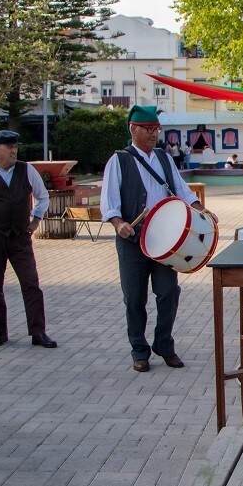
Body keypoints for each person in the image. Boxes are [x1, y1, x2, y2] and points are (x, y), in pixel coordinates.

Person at [101, 106, 214, 372]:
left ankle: (164, 345)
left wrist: (202, 211)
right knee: (134, 298)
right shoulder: (119, 160)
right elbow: (109, 202)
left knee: (168, 293)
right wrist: (119, 223)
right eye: (148, 129)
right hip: (133, 240)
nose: (154, 134)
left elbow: (183, 191)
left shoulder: (164, 157)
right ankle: (139, 350)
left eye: (156, 129)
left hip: (165, 241)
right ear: (133, 129)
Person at [0, 130, 57, 349]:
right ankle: (0, 331)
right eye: (9, 147)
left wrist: (36, 220)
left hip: (20, 236)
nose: (14, 150)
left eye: (15, 146)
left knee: (31, 283)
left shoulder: (26, 170)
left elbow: (43, 196)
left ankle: (38, 331)